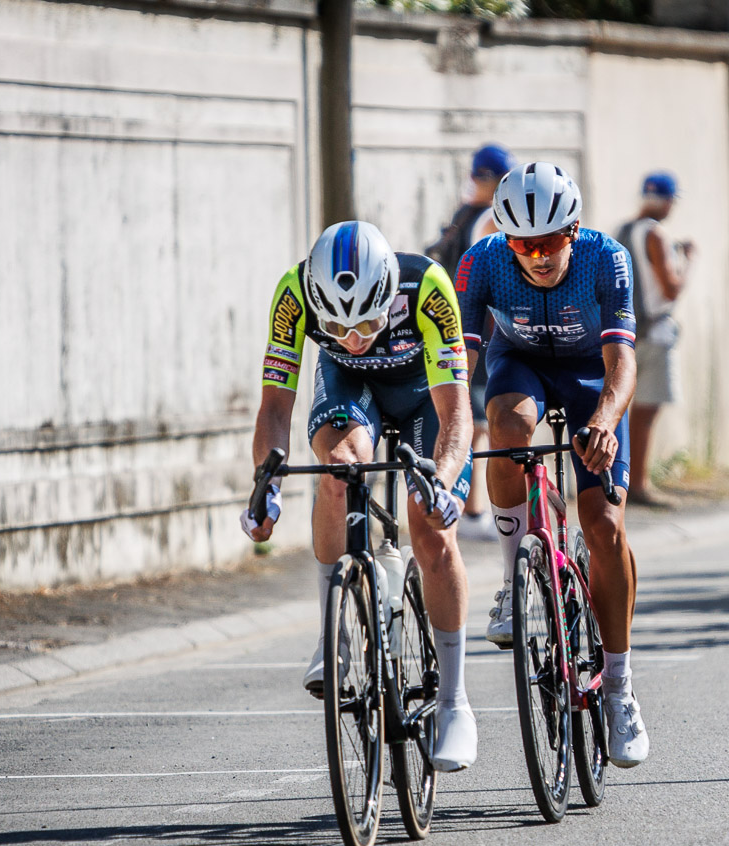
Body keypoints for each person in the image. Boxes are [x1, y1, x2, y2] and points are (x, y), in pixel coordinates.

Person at [244, 221, 477, 771]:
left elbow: (457, 414)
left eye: (369, 322)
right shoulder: (295, 291)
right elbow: (276, 407)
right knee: (338, 471)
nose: (352, 337)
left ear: (388, 295)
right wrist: (265, 487)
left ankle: (454, 703)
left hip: (425, 396)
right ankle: (335, 635)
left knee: (429, 526)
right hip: (354, 389)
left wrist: (441, 483)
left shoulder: (427, 286)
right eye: (337, 325)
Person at [456, 161, 649, 768]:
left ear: (574, 230)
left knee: (605, 527)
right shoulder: (482, 262)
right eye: (523, 245)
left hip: (593, 376)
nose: (537, 257)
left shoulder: (606, 258)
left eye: (549, 241)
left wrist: (606, 423)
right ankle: (516, 582)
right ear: (504, 237)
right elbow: (459, 363)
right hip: (523, 367)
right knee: (506, 431)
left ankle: (618, 688)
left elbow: (622, 359)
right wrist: (455, 434)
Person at [428, 143, 517, 542]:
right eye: (500, 181)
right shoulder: (485, 218)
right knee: (475, 423)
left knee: (469, 421)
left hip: (457, 327)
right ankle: (471, 508)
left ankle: (467, 506)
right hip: (476, 330)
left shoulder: (462, 215)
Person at [617, 171, 695, 507]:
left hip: (624, 332)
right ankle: (638, 484)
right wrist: (689, 261)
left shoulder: (621, 230)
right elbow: (671, 288)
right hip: (654, 333)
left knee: (622, 410)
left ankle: (623, 480)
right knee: (646, 412)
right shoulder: (656, 234)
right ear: (667, 200)